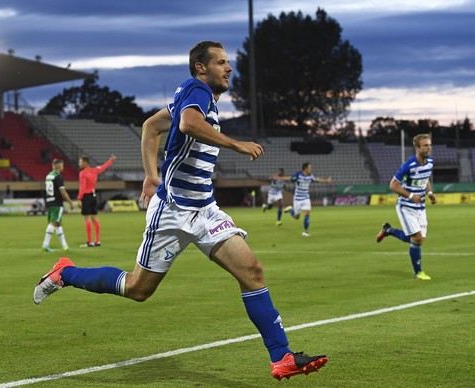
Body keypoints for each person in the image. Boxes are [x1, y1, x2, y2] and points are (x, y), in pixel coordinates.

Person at [33, 41, 327, 381]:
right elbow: (188, 125)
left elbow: (149, 127)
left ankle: (282, 357)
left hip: (204, 210)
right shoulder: (196, 90)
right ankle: (65, 273)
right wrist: (236, 144)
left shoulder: (196, 99)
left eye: (228, 62)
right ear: (201, 68)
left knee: (252, 271)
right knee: (138, 289)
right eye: (221, 62)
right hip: (172, 211)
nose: (229, 68)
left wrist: (150, 175)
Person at [376, 133, 437, 280]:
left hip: (420, 207)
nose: (428, 148)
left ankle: (389, 230)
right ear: (417, 147)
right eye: (425, 145)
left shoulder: (430, 162)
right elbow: (393, 185)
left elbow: (425, 177)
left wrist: (429, 192)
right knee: (416, 238)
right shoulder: (408, 166)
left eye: (429, 145)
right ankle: (418, 273)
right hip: (406, 207)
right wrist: (410, 196)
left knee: (419, 239)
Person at [279, 162, 333, 237]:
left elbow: (317, 180)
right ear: (305, 168)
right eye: (309, 167)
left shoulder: (310, 176)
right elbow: (289, 178)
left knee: (307, 213)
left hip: (306, 198)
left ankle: (305, 231)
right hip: (297, 199)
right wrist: (280, 178)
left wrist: (327, 180)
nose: (311, 169)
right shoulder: (298, 175)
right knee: (296, 217)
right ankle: (291, 210)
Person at [77, 154, 117, 247]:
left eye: (80, 161)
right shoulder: (94, 171)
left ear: (85, 163)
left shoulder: (82, 173)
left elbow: (82, 187)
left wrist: (79, 198)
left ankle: (89, 242)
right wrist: (110, 160)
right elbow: (103, 167)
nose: (79, 163)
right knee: (95, 218)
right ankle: (97, 240)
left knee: (87, 218)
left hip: (86, 196)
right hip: (93, 195)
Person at [41, 159, 74, 252]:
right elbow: (62, 192)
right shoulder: (58, 177)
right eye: (62, 166)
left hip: (49, 200)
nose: (63, 167)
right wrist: (70, 202)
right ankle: (45, 244)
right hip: (56, 202)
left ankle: (65, 246)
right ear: (59, 167)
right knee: (54, 222)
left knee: (58, 223)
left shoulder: (48, 176)